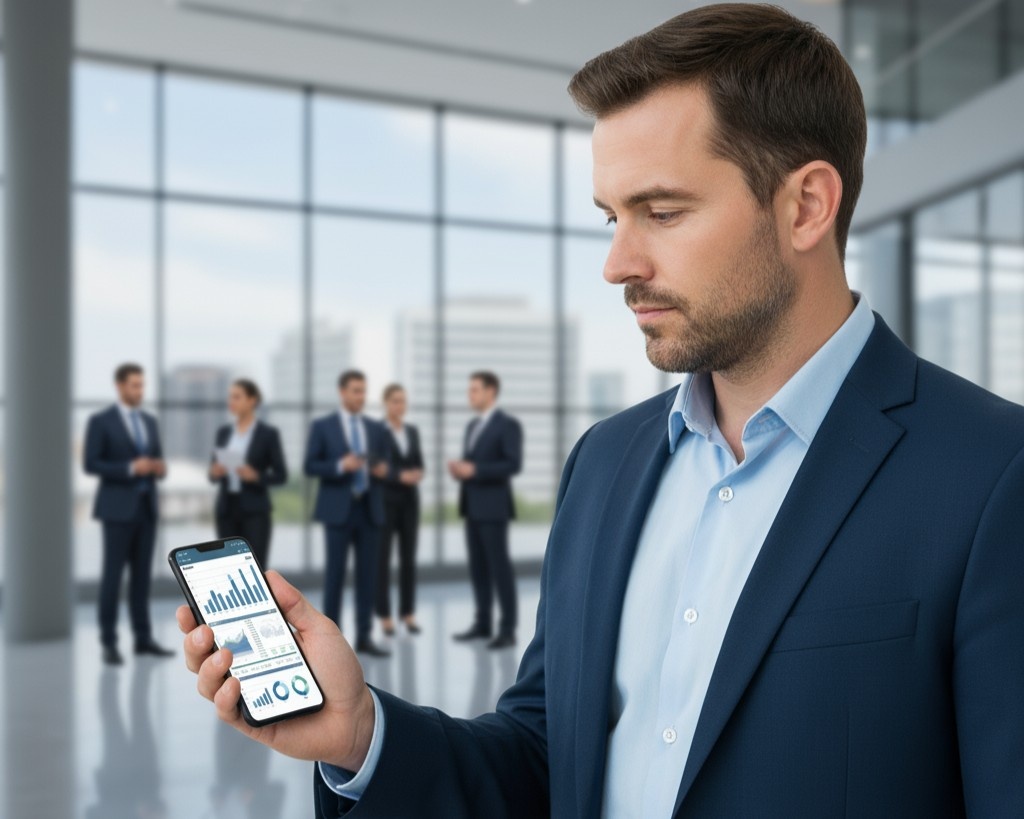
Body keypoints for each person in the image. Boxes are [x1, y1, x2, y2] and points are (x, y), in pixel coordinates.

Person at [180, 5, 1024, 816]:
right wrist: (363, 733)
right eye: (611, 217)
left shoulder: (992, 477)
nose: (618, 263)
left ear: (805, 205)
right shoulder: (607, 462)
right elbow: (547, 758)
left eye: (662, 212)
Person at [84, 363, 172, 665]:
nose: (140, 391)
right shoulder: (101, 421)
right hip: (117, 511)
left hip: (146, 511)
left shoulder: (149, 421)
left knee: (142, 579)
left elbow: (158, 460)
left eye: (142, 385)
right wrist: (131, 468)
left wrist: (159, 467)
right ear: (120, 386)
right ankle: (109, 641)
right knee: (112, 577)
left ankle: (143, 639)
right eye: (134, 385)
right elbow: (91, 463)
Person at [304, 370, 392, 657]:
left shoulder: (376, 429)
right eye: (355, 391)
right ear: (342, 392)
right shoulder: (323, 426)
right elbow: (311, 465)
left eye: (364, 391)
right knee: (335, 575)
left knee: (368, 575)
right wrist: (341, 466)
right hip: (338, 510)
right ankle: (331, 638)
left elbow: (386, 466)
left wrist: (381, 471)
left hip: (369, 509)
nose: (361, 397)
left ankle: (365, 636)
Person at [447, 371, 523, 650]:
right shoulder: (472, 426)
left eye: (475, 390)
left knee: (499, 568)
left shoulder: (507, 425)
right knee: (478, 569)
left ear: (491, 391)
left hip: (493, 508)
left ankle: (507, 629)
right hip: (472, 506)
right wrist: (462, 471)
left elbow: (512, 464)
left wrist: (475, 470)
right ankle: (482, 624)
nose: (471, 395)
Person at [208, 379, 288, 568]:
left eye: (237, 397)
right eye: (230, 397)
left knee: (255, 567)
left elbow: (281, 474)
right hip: (226, 509)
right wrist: (215, 471)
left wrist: (257, 476)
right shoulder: (224, 432)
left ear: (252, 400)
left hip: (255, 511)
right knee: (228, 567)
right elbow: (211, 475)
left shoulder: (268, 434)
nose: (231, 401)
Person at [375, 384, 425, 637]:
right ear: (386, 403)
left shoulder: (412, 432)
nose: (399, 406)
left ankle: (408, 613)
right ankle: (384, 616)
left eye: (403, 401)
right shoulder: (377, 432)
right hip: (386, 502)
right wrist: (400, 475)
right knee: (382, 559)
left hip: (409, 503)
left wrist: (416, 474)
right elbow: (375, 466)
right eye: (395, 401)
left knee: (408, 559)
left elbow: (419, 464)